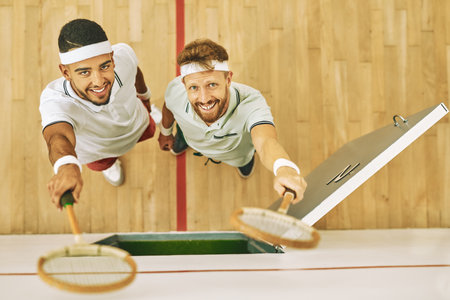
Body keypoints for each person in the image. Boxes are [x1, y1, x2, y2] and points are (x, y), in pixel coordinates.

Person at [158, 39, 307, 202]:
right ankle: (182, 139)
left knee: (244, 159)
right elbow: (169, 107)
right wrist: (166, 132)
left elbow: (265, 141)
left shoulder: (252, 102)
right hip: (191, 138)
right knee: (183, 132)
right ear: (183, 83)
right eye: (194, 87)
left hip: (236, 154)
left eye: (212, 84)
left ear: (228, 79)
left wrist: (284, 169)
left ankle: (244, 162)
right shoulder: (175, 90)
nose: (204, 98)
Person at [39, 19, 160, 209]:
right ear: (65, 72)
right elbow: (57, 136)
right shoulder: (55, 100)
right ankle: (110, 165)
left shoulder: (124, 56)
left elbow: (135, 72)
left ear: (112, 58)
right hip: (99, 153)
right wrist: (67, 165)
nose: (98, 82)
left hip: (138, 123)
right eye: (84, 72)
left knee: (151, 124)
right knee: (104, 163)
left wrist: (145, 98)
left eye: (104, 66)